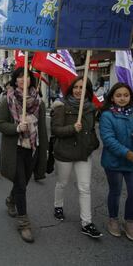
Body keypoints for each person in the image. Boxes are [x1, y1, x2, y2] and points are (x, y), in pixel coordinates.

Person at [0, 67, 48, 243]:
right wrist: (16, 128)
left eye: (25, 76)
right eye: (18, 77)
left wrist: (44, 150)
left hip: (32, 148)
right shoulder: (7, 100)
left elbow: (42, 129)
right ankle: (24, 223)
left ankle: (11, 200)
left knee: (23, 182)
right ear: (14, 80)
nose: (22, 79)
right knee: (21, 184)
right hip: (15, 148)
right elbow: (0, 124)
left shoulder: (39, 102)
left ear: (30, 80)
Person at [51, 76, 102, 239]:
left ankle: (86, 223)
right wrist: (72, 128)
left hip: (83, 153)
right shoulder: (62, 107)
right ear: (71, 89)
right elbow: (56, 130)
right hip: (65, 153)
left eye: (82, 87)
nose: (79, 90)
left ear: (88, 91)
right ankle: (58, 205)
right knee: (62, 183)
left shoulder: (91, 108)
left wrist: (93, 143)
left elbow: (91, 130)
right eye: (76, 87)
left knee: (85, 188)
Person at [99, 83, 133, 240]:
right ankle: (113, 219)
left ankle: (129, 221)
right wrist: (127, 153)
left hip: (131, 162)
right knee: (116, 191)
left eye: (126, 95)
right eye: (118, 95)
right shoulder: (107, 115)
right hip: (114, 162)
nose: (122, 98)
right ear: (112, 97)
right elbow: (108, 139)